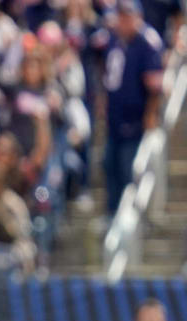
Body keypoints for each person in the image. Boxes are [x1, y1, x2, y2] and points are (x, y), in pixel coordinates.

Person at [93, 0, 164, 216]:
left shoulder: (147, 42)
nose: (123, 21)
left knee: (128, 169)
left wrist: (150, 115)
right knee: (109, 165)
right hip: (115, 118)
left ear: (137, 17)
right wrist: (103, 100)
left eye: (127, 16)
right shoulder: (114, 40)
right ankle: (112, 214)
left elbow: (154, 86)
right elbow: (107, 73)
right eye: (120, 16)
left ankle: (130, 216)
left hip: (134, 120)